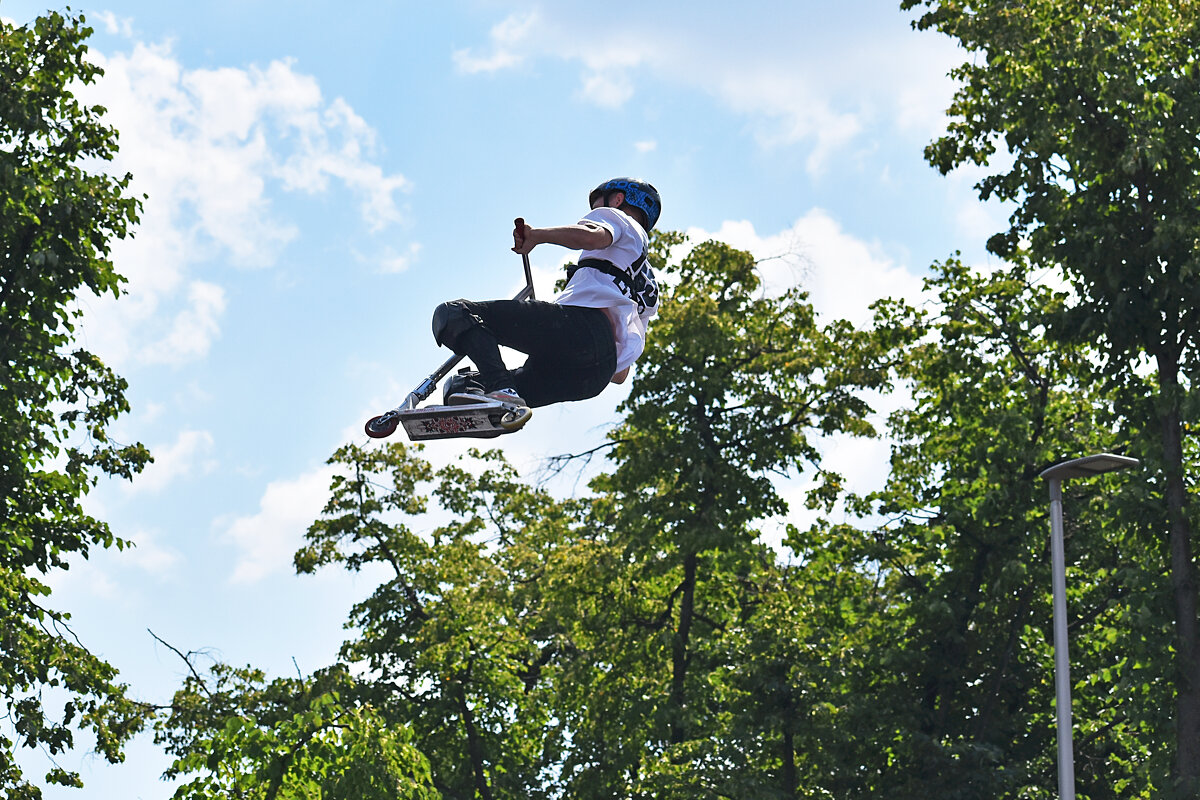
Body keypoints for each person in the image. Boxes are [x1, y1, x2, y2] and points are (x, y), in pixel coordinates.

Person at [430, 178, 662, 430]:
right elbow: (620, 375)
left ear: (617, 200)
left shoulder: (621, 219)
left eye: (596, 205)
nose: (594, 211)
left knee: (453, 314)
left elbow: (593, 237)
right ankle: (496, 399)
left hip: (583, 331)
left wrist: (536, 236)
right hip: (594, 377)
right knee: (469, 386)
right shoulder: (648, 287)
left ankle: (501, 391)